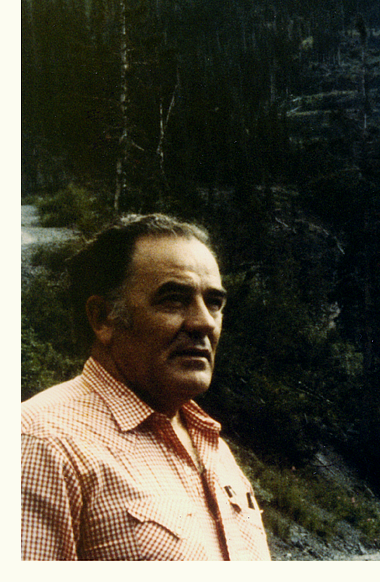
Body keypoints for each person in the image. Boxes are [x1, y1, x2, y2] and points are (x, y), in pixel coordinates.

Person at [21, 213, 271, 560]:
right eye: (173, 299)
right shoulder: (43, 441)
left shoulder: (213, 446)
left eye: (214, 302)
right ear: (103, 318)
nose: (203, 322)